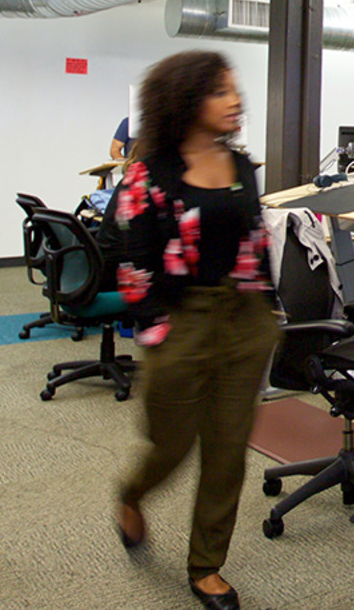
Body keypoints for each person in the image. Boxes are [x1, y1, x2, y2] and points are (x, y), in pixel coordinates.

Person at [111, 50, 281, 610]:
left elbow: (255, 244)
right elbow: (135, 266)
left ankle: (206, 566)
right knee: (172, 444)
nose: (236, 101)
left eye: (235, 90)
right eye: (220, 92)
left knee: (228, 450)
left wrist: (267, 313)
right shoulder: (148, 175)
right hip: (181, 321)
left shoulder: (243, 167)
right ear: (186, 102)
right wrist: (158, 331)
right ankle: (131, 493)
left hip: (244, 320)